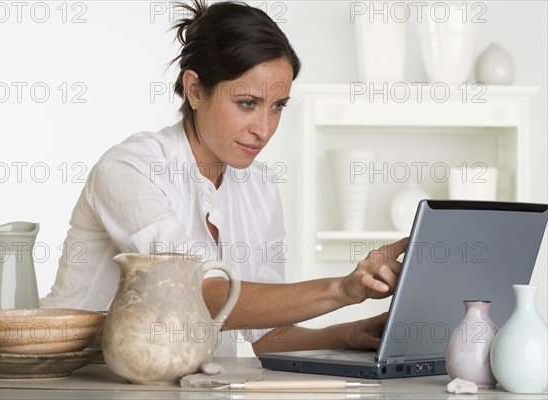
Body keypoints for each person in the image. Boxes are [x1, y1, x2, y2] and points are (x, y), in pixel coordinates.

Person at [41, 0, 408, 356]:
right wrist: (342, 290)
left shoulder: (259, 186)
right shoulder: (130, 170)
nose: (264, 130)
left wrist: (348, 334)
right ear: (195, 90)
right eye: (247, 103)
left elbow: (265, 335)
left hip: (181, 383)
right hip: (79, 379)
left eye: (277, 106)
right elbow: (199, 293)